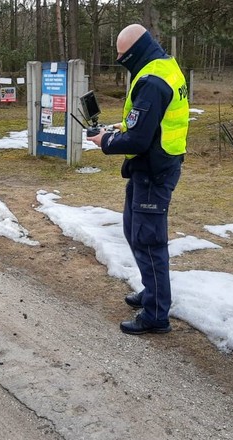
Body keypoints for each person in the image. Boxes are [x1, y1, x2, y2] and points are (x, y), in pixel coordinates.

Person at [87, 24, 189, 335]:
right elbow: (145, 122)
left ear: (135, 51)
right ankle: (151, 290)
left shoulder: (152, 80)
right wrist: (119, 127)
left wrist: (105, 142)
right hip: (151, 167)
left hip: (154, 170)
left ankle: (157, 313)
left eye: (122, 57)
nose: (120, 62)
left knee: (149, 241)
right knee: (134, 231)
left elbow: (139, 140)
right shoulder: (162, 66)